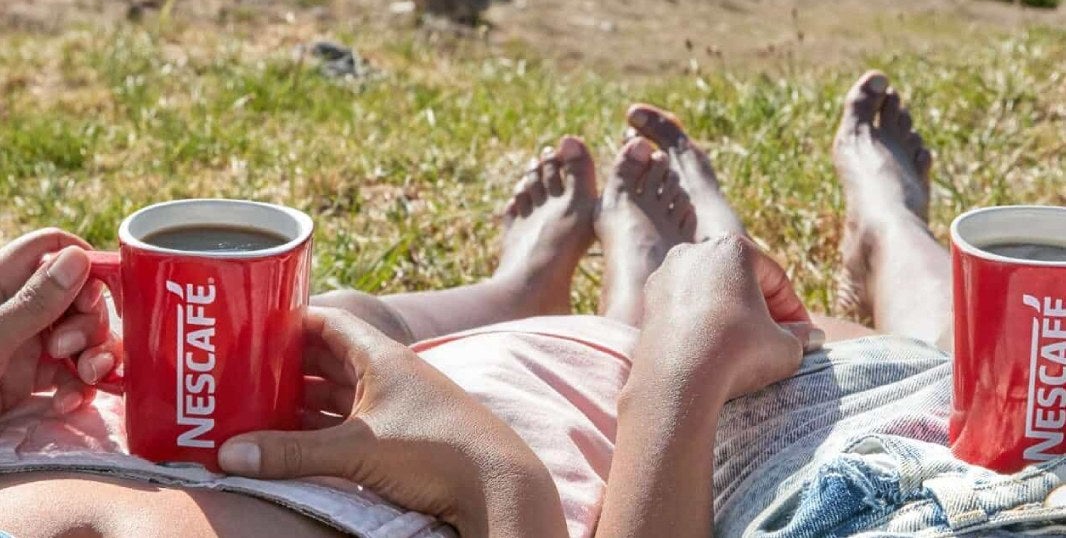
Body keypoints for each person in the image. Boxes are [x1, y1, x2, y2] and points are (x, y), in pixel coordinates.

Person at [0, 72, 1063, 538]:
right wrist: (488, 471)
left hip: (134, 438)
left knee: (341, 316)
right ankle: (882, 231)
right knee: (956, 373)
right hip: (514, 456)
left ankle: (533, 284)